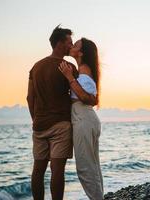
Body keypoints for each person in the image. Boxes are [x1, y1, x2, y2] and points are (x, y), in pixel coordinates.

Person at [27, 25, 97, 200]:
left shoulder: (35, 67)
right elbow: (82, 95)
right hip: (61, 126)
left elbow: (29, 98)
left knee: (38, 170)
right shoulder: (67, 67)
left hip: (39, 126)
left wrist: (36, 120)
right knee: (57, 171)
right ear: (59, 43)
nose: (71, 46)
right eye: (69, 42)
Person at [58, 38, 104, 199]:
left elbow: (87, 97)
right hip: (87, 119)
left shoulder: (83, 72)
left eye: (75, 45)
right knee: (93, 166)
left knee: (85, 168)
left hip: (84, 120)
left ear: (81, 53)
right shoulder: (84, 70)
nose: (71, 46)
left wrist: (69, 77)